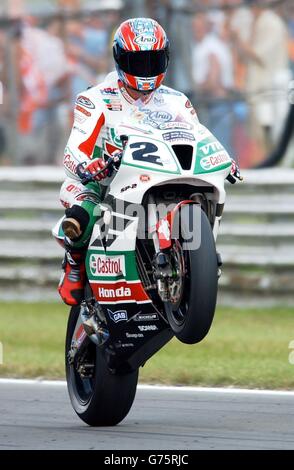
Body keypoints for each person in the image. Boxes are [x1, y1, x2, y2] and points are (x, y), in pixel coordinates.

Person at [54, 17, 239, 306]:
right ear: (120, 59)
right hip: (102, 182)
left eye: (152, 61)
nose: (146, 70)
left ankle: (187, 263)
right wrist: (84, 166)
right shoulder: (94, 99)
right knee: (81, 214)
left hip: (155, 175)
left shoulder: (177, 101)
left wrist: (225, 160)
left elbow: (197, 135)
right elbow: (73, 149)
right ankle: (74, 264)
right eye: (137, 62)